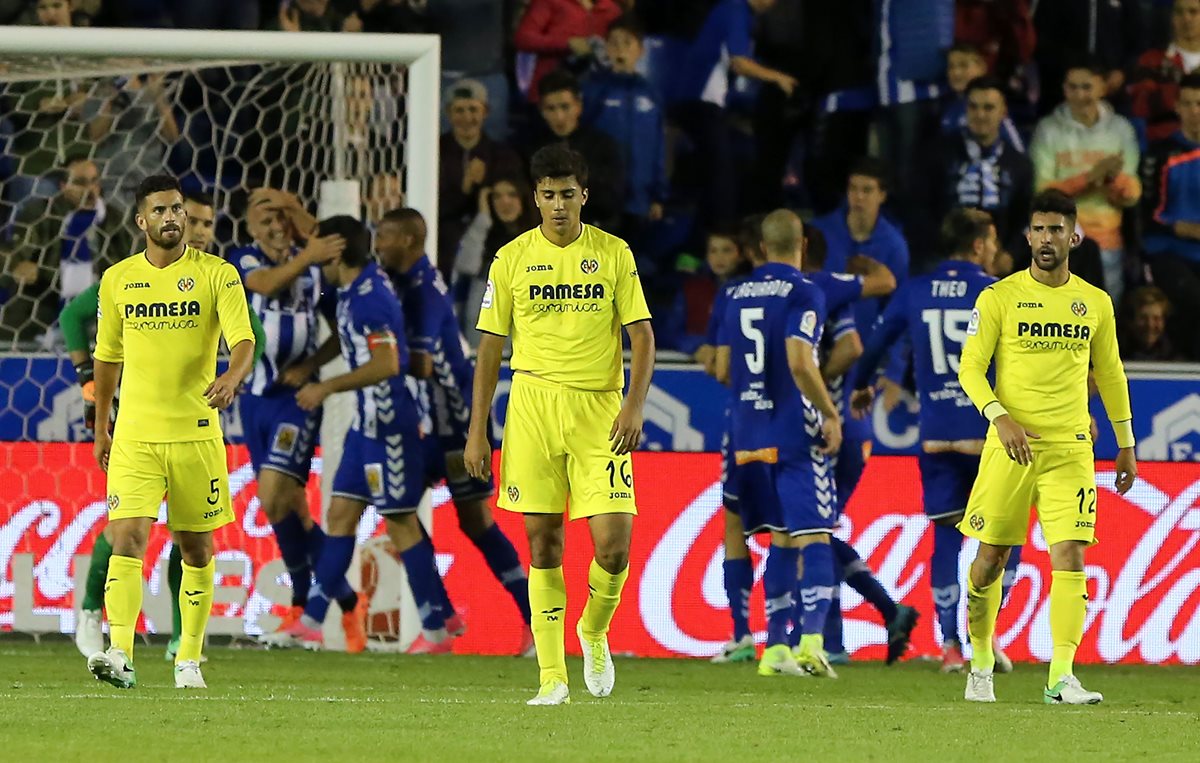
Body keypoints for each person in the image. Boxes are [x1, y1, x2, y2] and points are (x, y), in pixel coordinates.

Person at [464, 144, 655, 706]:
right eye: (547, 194)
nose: (557, 205)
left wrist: (635, 403)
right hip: (532, 408)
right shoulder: (511, 259)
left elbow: (641, 336)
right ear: (535, 198)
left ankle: (593, 630)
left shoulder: (613, 254)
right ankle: (552, 677)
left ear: (583, 196)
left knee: (613, 547)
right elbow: (489, 350)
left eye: (567, 194)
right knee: (543, 544)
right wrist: (479, 429)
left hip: (600, 411)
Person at [63, 191, 265, 662]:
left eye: (194, 217)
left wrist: (235, 373)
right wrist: (92, 398)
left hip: (194, 430)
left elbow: (251, 336)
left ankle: (184, 648)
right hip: (135, 431)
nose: (186, 222)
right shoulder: (120, 279)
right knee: (124, 532)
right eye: (168, 211)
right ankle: (111, 639)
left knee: (191, 543)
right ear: (142, 220)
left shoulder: (217, 276)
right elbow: (90, 335)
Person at [957, 189, 1137, 704]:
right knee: (991, 559)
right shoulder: (998, 297)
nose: (1046, 238)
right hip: (1010, 448)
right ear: (1027, 235)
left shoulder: (1095, 304)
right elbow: (970, 368)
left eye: (1057, 230)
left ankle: (1061, 675)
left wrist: (1125, 442)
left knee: (1070, 554)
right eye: (1039, 229)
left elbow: (1111, 373)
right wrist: (1001, 417)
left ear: (1075, 237)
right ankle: (981, 660)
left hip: (1072, 448)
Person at [263, 216, 452, 652]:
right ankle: (309, 622)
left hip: (390, 425)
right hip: (363, 426)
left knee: (401, 522)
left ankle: (436, 629)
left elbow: (388, 364)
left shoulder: (370, 297)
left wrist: (325, 385)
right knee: (339, 516)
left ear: (334, 250)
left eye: (317, 247)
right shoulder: (352, 290)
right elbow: (349, 342)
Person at [850, 209, 1022, 674]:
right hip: (989, 432)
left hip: (937, 435)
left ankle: (949, 646)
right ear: (980, 243)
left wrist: (862, 385)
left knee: (946, 538)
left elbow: (877, 344)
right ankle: (984, 641)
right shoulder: (999, 291)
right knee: (1007, 539)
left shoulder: (915, 290)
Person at [375, 207, 535, 656]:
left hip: (460, 426)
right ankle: (439, 619)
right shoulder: (412, 282)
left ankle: (521, 621)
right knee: (400, 509)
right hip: (441, 426)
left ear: (408, 240)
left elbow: (424, 363)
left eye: (385, 236)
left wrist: (379, 355)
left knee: (476, 522)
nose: (378, 244)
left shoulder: (423, 291)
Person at [713, 209, 842, 678]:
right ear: (802, 244)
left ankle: (774, 649)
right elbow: (800, 360)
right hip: (791, 432)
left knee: (780, 539)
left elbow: (724, 367)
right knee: (815, 535)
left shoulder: (734, 293)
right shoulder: (805, 291)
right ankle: (810, 643)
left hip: (746, 438)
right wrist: (829, 413)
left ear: (762, 248)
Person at [230, 189, 352, 644]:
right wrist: (309, 255)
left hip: (295, 401)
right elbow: (263, 285)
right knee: (286, 509)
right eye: (265, 218)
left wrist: (310, 364)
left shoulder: (311, 270)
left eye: (281, 218)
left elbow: (341, 329)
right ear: (249, 227)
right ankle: (345, 601)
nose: (275, 226)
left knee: (274, 494)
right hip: (253, 399)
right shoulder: (242, 260)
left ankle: (304, 606)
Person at [672, 0, 797, 234]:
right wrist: (779, 78)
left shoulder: (743, 14)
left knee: (742, 162)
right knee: (721, 177)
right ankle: (721, 238)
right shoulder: (735, 8)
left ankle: (711, 241)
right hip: (698, 101)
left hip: (710, 106)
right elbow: (739, 63)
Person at [1030, 59, 1141, 308]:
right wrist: (1092, 177)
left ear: (1102, 87)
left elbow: (1131, 194)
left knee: (1104, 317)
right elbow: (1042, 194)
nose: (1079, 95)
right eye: (1072, 87)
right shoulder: (1047, 131)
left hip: (1106, 239)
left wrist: (1108, 181)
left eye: (1087, 87)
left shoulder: (1121, 130)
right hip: (1059, 240)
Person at [0, 154, 134, 347]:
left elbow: (136, 261)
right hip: (45, 305)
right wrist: (17, 265)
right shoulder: (41, 214)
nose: (90, 190)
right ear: (63, 186)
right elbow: (12, 251)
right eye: (80, 183)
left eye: (94, 182)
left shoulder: (115, 219)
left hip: (104, 309)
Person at [582, 14, 668, 238]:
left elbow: (659, 147)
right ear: (606, 49)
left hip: (640, 200)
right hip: (602, 198)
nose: (620, 49)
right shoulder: (594, 89)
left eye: (627, 43)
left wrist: (658, 195)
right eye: (614, 43)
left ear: (640, 50)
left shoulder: (650, 94)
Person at [934, 76, 1034, 267]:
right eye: (973, 107)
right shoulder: (938, 154)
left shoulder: (1019, 164)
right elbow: (920, 208)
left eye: (988, 108)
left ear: (1003, 112)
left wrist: (1010, 254)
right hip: (943, 257)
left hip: (1000, 259)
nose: (980, 115)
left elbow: (1025, 216)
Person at [1139, 72, 1200, 361]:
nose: (1194, 112)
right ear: (1177, 106)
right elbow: (1147, 213)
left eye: (1199, 103)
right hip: (1168, 250)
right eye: (1187, 104)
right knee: (1188, 296)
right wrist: (1181, 229)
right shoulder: (1160, 154)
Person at [437, 78, 524, 282]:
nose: (467, 117)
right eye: (459, 110)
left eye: (473, 110)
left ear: (485, 112)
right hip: (443, 247)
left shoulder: (504, 156)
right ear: (448, 113)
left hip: (490, 249)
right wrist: (465, 188)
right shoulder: (433, 152)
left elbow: (511, 206)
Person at [532, 69, 625, 234]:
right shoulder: (531, 147)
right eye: (551, 109)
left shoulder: (603, 145)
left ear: (578, 106)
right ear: (542, 111)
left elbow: (612, 197)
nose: (559, 116)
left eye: (565, 107)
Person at [454, 175, 540, 345]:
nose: (504, 202)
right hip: (483, 346)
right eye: (496, 196)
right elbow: (466, 267)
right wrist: (483, 218)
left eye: (512, 195)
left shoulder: (541, 241)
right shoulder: (482, 237)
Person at [513, 0, 623, 103]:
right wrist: (567, 44)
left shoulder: (612, 10)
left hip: (593, 99)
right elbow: (523, 38)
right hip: (549, 97)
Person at [1129, 0, 1200, 143]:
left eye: (1193, 12)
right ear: (1172, 18)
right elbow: (1140, 112)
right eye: (1179, 12)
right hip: (1165, 146)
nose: (1186, 18)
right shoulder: (1151, 61)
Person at [1120, 286, 1182, 360]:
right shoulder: (1116, 355)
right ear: (1132, 321)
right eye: (1143, 318)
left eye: (1156, 318)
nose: (1150, 325)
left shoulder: (1176, 361)